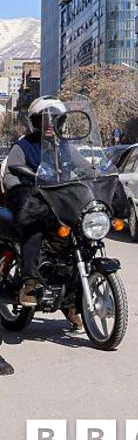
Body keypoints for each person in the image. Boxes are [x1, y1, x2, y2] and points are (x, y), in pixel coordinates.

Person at [3, 98, 66, 307]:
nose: (49, 125)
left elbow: (81, 167)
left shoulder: (63, 147)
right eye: (43, 120)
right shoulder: (23, 145)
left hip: (57, 202)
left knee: (80, 232)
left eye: (54, 120)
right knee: (35, 229)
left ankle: (73, 296)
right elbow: (10, 172)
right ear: (35, 123)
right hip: (30, 201)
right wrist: (23, 191)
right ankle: (29, 282)